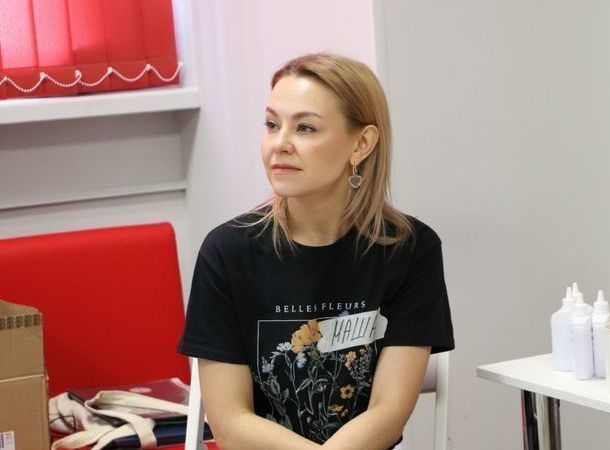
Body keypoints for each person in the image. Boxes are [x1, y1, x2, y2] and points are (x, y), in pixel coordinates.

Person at [178, 53, 455, 450]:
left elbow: (390, 410)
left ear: (361, 144)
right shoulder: (226, 253)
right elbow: (230, 422)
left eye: (305, 127)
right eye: (272, 125)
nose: (280, 144)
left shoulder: (410, 250)